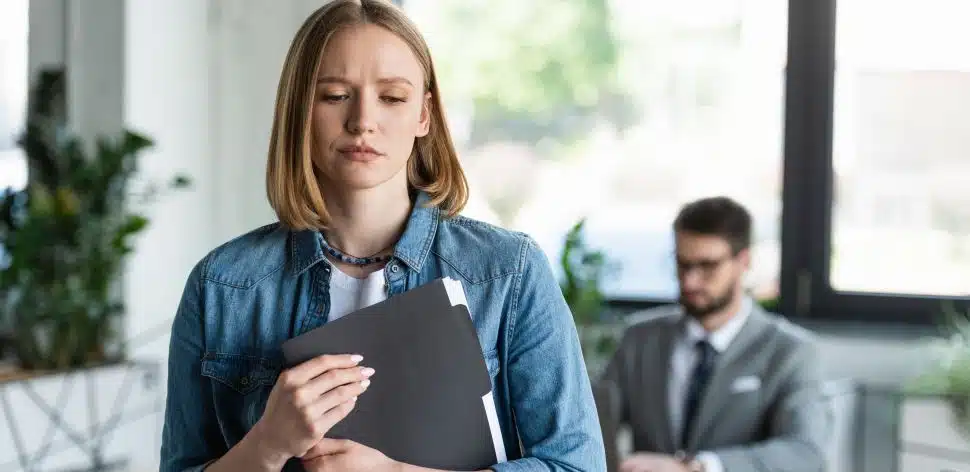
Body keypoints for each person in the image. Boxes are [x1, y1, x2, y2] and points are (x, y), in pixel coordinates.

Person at [158, 1, 605, 471]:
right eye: (334, 95)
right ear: (299, 110)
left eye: (392, 97)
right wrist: (267, 444)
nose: (363, 121)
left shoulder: (508, 273)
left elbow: (577, 466)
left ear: (423, 116)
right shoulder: (222, 286)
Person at [600, 197, 831, 472]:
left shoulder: (791, 352)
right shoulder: (639, 339)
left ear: (743, 261)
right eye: (682, 264)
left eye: (707, 265)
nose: (690, 281)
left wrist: (697, 468)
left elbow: (805, 452)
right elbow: (594, 419)